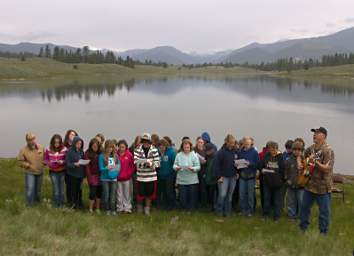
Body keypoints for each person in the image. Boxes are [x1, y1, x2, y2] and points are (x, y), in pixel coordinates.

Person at [300, 127, 335, 235]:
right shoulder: (310, 149)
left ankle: (323, 233)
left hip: (323, 187)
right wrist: (302, 164)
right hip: (310, 185)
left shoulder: (328, 150)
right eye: (314, 133)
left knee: (324, 212)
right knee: (304, 208)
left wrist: (315, 162)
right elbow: (302, 158)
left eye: (317, 133)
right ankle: (303, 229)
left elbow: (327, 168)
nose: (314, 135)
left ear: (323, 136)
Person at [134, 133, 160, 215]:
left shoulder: (155, 150)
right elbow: (135, 162)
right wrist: (145, 163)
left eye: (147, 141)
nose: (145, 143)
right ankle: (139, 208)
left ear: (150, 141)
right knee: (140, 194)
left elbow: (158, 163)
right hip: (140, 177)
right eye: (143, 141)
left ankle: (147, 209)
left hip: (151, 177)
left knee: (149, 194)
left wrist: (151, 164)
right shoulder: (137, 150)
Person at [259, 141, 285, 221]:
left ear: (277, 149)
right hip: (267, 182)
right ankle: (265, 215)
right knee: (266, 200)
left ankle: (276, 217)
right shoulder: (265, 156)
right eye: (270, 149)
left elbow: (283, 170)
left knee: (277, 201)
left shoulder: (281, 157)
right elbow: (260, 166)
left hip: (278, 183)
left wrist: (281, 180)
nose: (272, 151)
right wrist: (262, 170)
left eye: (274, 149)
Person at [214, 134, 238, 217]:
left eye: (233, 143)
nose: (232, 144)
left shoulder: (236, 151)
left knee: (230, 195)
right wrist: (219, 176)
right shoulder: (220, 152)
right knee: (222, 195)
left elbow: (239, 163)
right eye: (231, 142)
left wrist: (237, 173)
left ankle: (227, 212)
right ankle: (219, 211)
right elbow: (216, 165)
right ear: (226, 142)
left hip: (233, 177)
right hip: (223, 177)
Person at [17, 133, 44, 206]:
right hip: (30, 172)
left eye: (33, 139)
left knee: (38, 190)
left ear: (35, 139)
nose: (32, 141)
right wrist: (27, 165)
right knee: (30, 189)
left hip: (40, 172)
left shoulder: (41, 147)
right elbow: (19, 161)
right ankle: (29, 205)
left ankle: (37, 203)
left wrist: (46, 162)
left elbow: (46, 157)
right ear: (27, 141)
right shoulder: (23, 150)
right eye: (29, 140)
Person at [173, 139, 201, 212]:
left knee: (192, 197)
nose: (186, 149)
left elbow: (198, 166)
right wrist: (177, 167)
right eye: (185, 147)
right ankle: (184, 209)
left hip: (192, 180)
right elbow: (174, 165)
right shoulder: (178, 155)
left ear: (190, 147)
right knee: (182, 197)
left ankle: (190, 210)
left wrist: (193, 169)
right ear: (182, 147)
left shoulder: (194, 155)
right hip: (181, 180)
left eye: (188, 147)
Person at [236, 137, 260, 216]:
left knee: (250, 195)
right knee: (242, 194)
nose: (246, 145)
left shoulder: (254, 152)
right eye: (245, 144)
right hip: (242, 175)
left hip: (251, 176)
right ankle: (243, 210)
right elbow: (237, 162)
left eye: (248, 144)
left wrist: (250, 164)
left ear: (251, 144)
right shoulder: (240, 152)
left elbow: (258, 164)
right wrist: (237, 164)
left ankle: (250, 211)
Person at [284, 141, 307, 219]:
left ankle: (301, 216)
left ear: (302, 151)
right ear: (292, 150)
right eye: (295, 150)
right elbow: (285, 172)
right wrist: (287, 180)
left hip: (301, 186)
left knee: (301, 201)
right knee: (291, 201)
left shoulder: (305, 160)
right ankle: (291, 215)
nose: (297, 151)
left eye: (299, 150)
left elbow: (308, 172)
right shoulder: (288, 160)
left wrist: (303, 167)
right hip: (291, 185)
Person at [43, 134, 67, 208]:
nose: (56, 144)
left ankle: (62, 204)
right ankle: (56, 205)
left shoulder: (64, 149)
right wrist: (49, 163)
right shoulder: (48, 149)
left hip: (62, 171)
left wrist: (62, 162)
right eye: (55, 142)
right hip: (53, 171)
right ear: (52, 142)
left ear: (60, 142)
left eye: (58, 142)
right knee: (56, 189)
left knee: (62, 190)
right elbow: (45, 160)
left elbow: (67, 160)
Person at [99, 140, 120, 215]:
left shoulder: (116, 156)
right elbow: (101, 168)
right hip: (105, 179)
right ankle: (107, 209)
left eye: (111, 147)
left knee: (113, 195)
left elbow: (118, 167)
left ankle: (113, 210)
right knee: (106, 195)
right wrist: (107, 168)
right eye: (108, 147)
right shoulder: (101, 156)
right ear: (106, 147)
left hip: (113, 178)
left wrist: (115, 170)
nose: (110, 149)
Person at [65, 136, 85, 209]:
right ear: (74, 143)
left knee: (79, 190)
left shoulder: (81, 151)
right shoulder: (70, 151)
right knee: (74, 190)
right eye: (78, 143)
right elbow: (67, 163)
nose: (79, 145)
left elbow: (83, 160)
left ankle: (79, 203)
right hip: (72, 174)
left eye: (80, 144)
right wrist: (74, 164)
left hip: (80, 174)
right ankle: (74, 204)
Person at [158, 138, 177, 210]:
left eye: (163, 146)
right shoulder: (158, 153)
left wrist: (173, 173)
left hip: (170, 175)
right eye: (160, 147)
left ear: (166, 146)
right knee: (163, 191)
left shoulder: (171, 152)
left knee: (169, 191)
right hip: (161, 175)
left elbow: (175, 163)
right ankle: (165, 205)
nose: (161, 148)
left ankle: (173, 205)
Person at [116, 140, 135, 214]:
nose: (121, 148)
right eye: (120, 147)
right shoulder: (115, 155)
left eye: (123, 147)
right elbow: (112, 166)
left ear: (126, 147)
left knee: (127, 194)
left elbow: (132, 166)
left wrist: (129, 174)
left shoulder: (129, 155)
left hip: (127, 178)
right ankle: (120, 208)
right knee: (119, 194)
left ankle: (127, 208)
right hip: (118, 178)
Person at [85, 138, 102, 213]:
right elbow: (87, 167)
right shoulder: (87, 153)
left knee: (99, 192)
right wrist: (89, 178)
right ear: (91, 146)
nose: (95, 147)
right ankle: (91, 208)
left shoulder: (101, 153)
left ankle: (98, 208)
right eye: (93, 146)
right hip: (92, 175)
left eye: (96, 146)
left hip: (100, 175)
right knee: (92, 192)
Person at [63, 129, 78, 206]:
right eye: (71, 134)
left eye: (75, 135)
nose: (73, 136)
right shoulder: (64, 146)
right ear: (68, 136)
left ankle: (77, 201)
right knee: (69, 185)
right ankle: (69, 201)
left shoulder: (78, 145)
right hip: (67, 169)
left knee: (77, 186)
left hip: (76, 169)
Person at [194, 136, 207, 208]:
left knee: (203, 189)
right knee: (195, 188)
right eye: (199, 142)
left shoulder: (205, 151)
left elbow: (208, 162)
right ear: (196, 142)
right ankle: (196, 203)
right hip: (195, 172)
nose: (200, 144)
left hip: (203, 171)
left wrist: (205, 162)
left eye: (201, 142)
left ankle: (203, 205)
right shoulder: (193, 150)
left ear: (203, 143)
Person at [204, 143, 218, 210]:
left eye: (207, 151)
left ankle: (214, 206)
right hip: (208, 177)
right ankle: (210, 205)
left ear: (211, 150)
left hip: (214, 178)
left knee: (213, 193)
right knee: (209, 193)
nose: (206, 152)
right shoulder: (207, 156)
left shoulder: (216, 156)